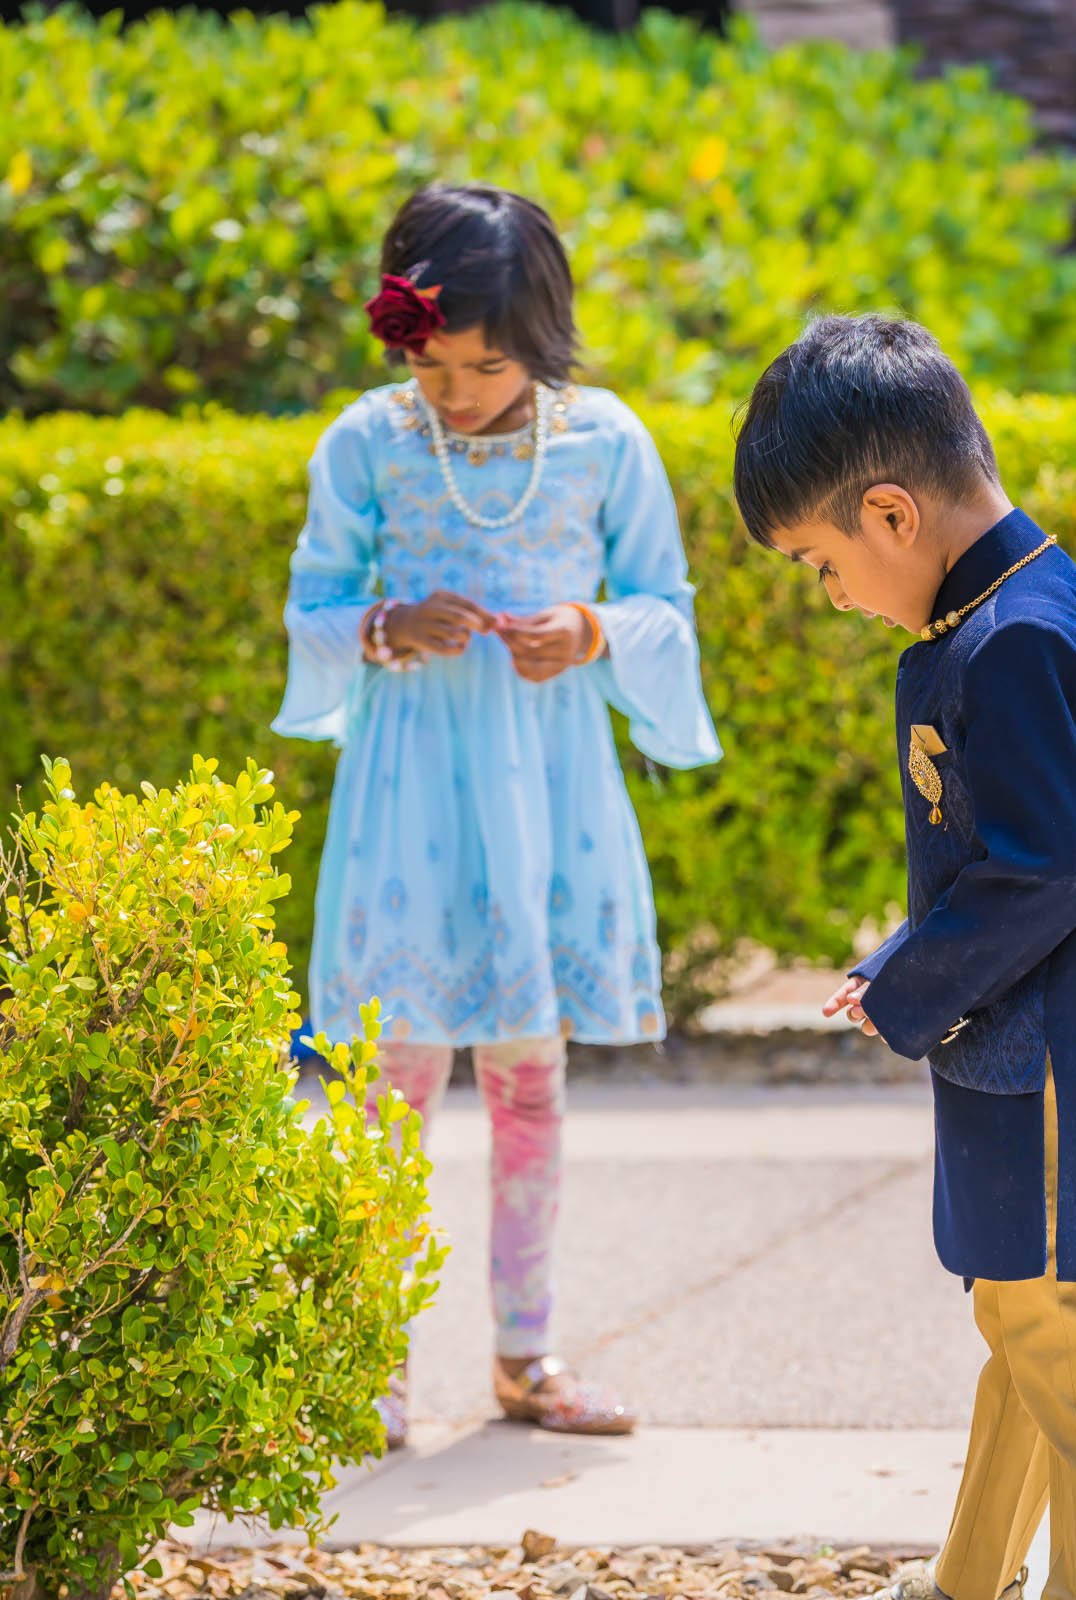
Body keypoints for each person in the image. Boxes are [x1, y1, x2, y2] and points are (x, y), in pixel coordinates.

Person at [733, 315, 1076, 1600]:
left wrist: (903, 987)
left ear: (892, 512)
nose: (830, 594)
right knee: (1022, 1319)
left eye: (825, 565)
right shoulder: (997, 613)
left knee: (1075, 1338)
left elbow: (1048, 868)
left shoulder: (1009, 641)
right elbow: (1017, 853)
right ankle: (976, 1591)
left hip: (1075, 1064)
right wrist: (908, 960)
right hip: (1038, 1052)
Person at [277, 183, 720, 1449]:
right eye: (433, 360)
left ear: (545, 334)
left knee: (531, 1081)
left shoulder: (605, 441)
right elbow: (311, 611)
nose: (457, 389)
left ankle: (527, 1354)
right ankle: (368, 1368)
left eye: (488, 361)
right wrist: (378, 626)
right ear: (398, 335)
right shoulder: (365, 442)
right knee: (387, 1087)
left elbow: (663, 612)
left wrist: (588, 631)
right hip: (411, 782)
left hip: (548, 791)